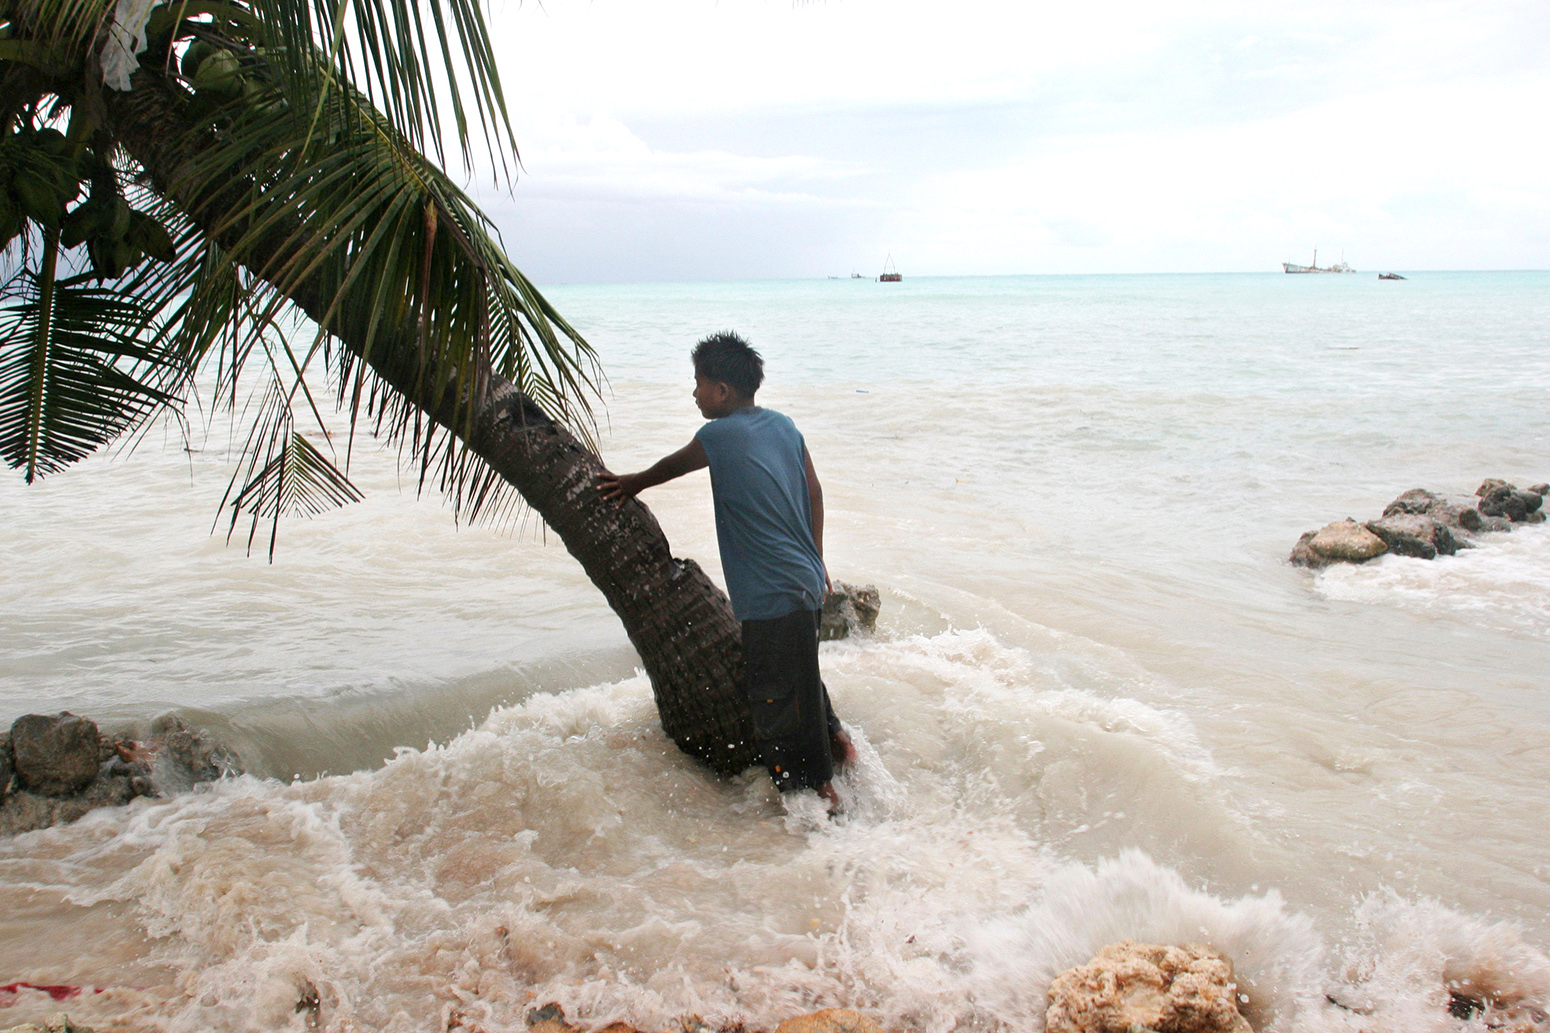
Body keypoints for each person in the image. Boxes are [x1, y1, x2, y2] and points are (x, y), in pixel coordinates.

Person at [597, 331, 856, 811]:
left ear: (722, 391)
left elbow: (671, 467)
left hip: (768, 590)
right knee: (800, 672)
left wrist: (629, 484)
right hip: (803, 578)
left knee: (774, 697)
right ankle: (841, 745)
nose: (693, 393)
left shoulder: (718, 434)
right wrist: (817, 557)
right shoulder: (784, 426)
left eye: (698, 383)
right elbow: (814, 491)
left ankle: (817, 790)